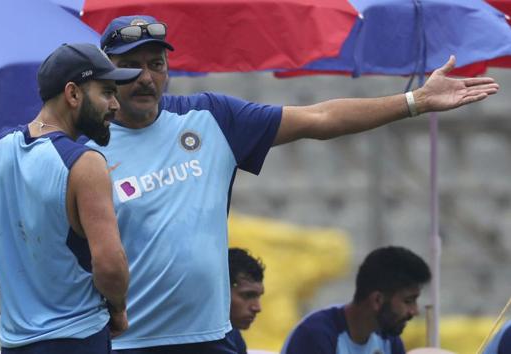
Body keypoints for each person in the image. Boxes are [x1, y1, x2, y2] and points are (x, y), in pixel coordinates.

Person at [85, 14, 499, 353]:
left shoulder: (210, 118)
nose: (145, 77)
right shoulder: (80, 148)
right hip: (124, 342)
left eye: (155, 64)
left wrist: (415, 102)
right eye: (131, 65)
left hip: (209, 339)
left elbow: (319, 119)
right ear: (105, 72)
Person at [0, 43, 141, 353]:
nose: (114, 104)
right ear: (73, 94)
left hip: (15, 344)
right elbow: (111, 267)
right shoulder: (84, 163)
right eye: (106, 92)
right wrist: (117, 309)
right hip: (78, 339)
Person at [281, 246, 431, 354]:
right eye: (408, 301)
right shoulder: (315, 335)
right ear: (377, 300)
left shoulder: (389, 340)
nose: (415, 311)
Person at [228, 248, 266, 354]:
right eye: (248, 295)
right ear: (221, 292)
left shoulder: (235, 338)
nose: (257, 308)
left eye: (258, 296)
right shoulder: (195, 339)